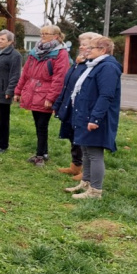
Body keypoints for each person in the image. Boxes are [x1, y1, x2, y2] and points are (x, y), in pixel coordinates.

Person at [64, 36, 122, 199]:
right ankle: (86, 182)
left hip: (96, 118)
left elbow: (106, 95)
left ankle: (96, 191)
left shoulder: (108, 67)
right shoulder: (95, 65)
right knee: (86, 150)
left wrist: (95, 118)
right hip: (85, 115)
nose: (86, 50)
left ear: (103, 50)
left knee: (95, 153)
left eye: (91, 48)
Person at [14, 25, 70, 166]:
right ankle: (43, 152)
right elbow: (25, 73)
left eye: (46, 34)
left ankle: (40, 155)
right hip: (32, 92)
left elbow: (59, 79)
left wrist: (51, 98)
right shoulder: (35, 51)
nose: (42, 36)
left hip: (45, 94)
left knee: (42, 125)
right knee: (38, 124)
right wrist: (18, 91)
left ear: (56, 36)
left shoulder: (60, 53)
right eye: (41, 33)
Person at [53, 32, 101, 178]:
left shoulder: (94, 65)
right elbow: (68, 84)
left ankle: (86, 170)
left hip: (83, 107)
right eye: (81, 43)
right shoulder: (78, 63)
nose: (81, 46)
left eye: (85, 44)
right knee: (72, 135)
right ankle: (76, 165)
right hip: (71, 104)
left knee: (82, 138)